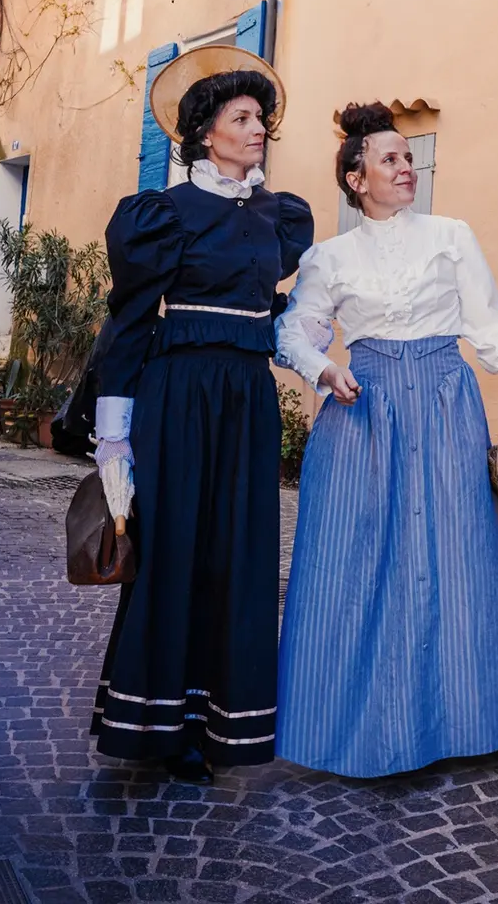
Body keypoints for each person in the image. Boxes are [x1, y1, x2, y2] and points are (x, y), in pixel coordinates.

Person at [273, 103, 498, 777]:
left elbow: (488, 325)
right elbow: (293, 330)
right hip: (364, 414)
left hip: (445, 404)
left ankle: (466, 716)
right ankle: (350, 720)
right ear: (356, 178)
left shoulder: (451, 235)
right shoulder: (328, 257)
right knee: (353, 560)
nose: (406, 168)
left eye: (409, 157)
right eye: (390, 159)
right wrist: (326, 369)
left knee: (456, 553)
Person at [88, 47, 313, 783]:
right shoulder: (162, 214)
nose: (257, 130)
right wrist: (114, 430)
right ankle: (155, 726)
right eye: (242, 118)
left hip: (247, 399)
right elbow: (128, 320)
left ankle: (226, 723)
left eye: (261, 120)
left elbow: (276, 314)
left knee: (237, 555)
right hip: (179, 396)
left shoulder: (277, 218)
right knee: (175, 551)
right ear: (205, 131)